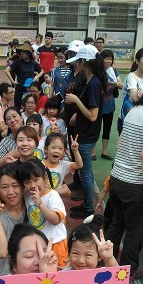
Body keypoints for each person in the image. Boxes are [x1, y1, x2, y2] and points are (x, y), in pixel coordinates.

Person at [65, 44, 106, 219]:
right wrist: (78, 112)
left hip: (87, 135)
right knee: (85, 172)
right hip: (85, 132)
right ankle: (87, 204)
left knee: (86, 173)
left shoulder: (93, 84)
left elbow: (93, 115)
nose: (76, 64)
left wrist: (76, 101)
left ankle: (88, 207)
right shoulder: (92, 81)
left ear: (83, 62)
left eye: (78, 61)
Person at [106, 95, 143, 274]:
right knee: (134, 231)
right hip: (134, 183)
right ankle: (129, 270)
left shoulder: (132, 112)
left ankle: (107, 261)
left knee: (117, 223)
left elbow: (119, 145)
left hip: (117, 178)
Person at [18, 159, 69, 269]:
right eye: (27, 182)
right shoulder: (27, 194)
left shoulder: (53, 196)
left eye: (36, 180)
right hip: (39, 244)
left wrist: (39, 203)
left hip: (56, 244)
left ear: (45, 177)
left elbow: (56, 220)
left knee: (59, 272)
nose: (32, 185)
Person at [62, 40, 86, 199]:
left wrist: (77, 113)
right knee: (72, 148)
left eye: (73, 54)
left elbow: (85, 98)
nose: (70, 56)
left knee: (79, 150)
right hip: (68, 117)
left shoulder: (84, 75)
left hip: (78, 118)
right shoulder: (72, 73)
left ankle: (83, 186)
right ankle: (77, 181)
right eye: (69, 53)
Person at [99, 49, 122, 160]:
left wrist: (113, 83)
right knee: (95, 128)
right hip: (98, 105)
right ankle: (92, 152)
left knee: (107, 128)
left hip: (109, 105)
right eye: (106, 59)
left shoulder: (114, 71)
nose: (108, 61)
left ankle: (104, 151)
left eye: (110, 59)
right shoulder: (97, 71)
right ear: (101, 59)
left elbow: (121, 85)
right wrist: (113, 83)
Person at [43, 133, 83, 197]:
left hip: (56, 199)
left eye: (60, 148)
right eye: (53, 147)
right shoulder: (39, 165)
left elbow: (79, 165)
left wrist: (75, 151)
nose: (56, 151)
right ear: (46, 149)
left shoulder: (63, 165)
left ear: (64, 151)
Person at [5, 43, 43, 110]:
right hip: (20, 87)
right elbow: (7, 70)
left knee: (30, 106)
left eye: (24, 52)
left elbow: (42, 71)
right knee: (18, 106)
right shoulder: (18, 62)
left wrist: (36, 77)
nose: (22, 53)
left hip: (30, 89)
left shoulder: (33, 63)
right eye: (21, 51)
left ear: (28, 53)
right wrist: (12, 81)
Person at [118, 48, 143, 135]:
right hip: (128, 121)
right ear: (137, 61)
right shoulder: (131, 77)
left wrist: (142, 93)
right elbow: (135, 99)